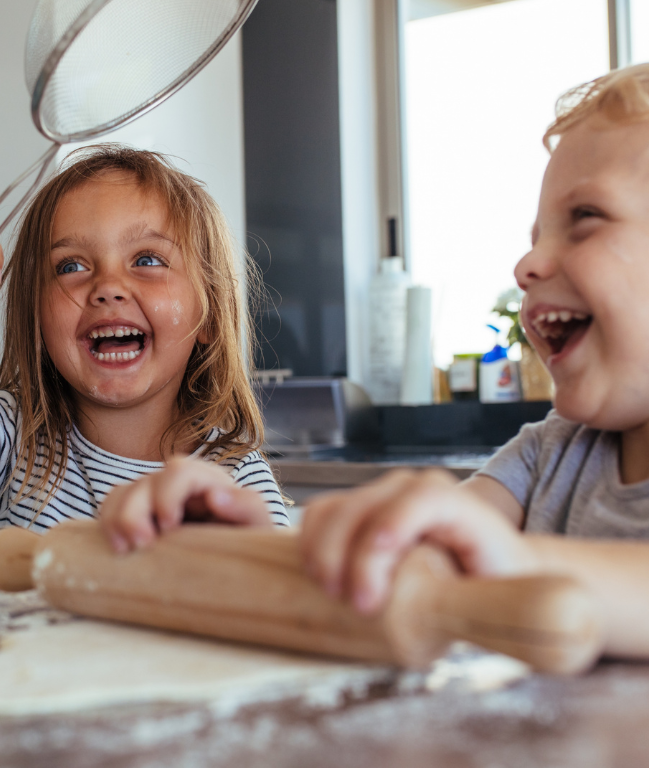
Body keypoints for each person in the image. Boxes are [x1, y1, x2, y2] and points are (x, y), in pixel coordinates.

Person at [104, 63, 649, 659]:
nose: (527, 265)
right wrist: (253, 553)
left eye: (585, 218)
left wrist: (519, 562)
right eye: (536, 237)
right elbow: (410, 565)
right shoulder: (548, 455)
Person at [0, 145, 289, 540]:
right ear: (36, 318)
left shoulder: (234, 480)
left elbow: (280, 597)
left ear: (208, 315)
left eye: (147, 259)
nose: (108, 286)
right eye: (70, 266)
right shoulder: (18, 440)